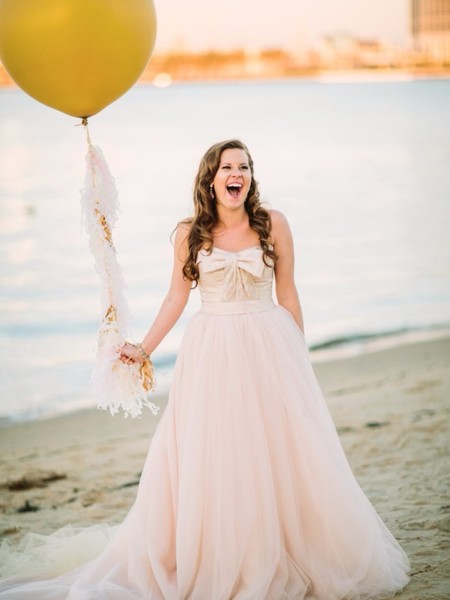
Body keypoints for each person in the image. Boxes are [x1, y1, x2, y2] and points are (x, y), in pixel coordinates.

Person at [0, 140, 409, 599]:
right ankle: (224, 553)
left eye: (245, 167)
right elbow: (175, 298)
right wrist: (143, 348)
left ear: (250, 177)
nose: (237, 174)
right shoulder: (189, 232)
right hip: (212, 349)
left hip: (270, 345)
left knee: (279, 448)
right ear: (211, 178)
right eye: (227, 167)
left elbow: (288, 294)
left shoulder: (274, 224)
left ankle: (285, 549)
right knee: (218, 451)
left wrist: (299, 357)